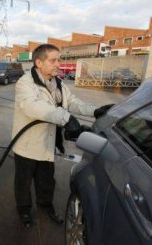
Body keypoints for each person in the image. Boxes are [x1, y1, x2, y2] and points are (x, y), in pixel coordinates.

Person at [12, 44, 111, 228]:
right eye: (53, 60)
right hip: (26, 145)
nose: (58, 64)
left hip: (47, 144)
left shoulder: (57, 83)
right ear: (39, 62)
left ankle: (46, 207)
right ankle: (24, 211)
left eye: (59, 59)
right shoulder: (25, 83)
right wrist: (65, 117)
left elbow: (72, 102)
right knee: (23, 182)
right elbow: (32, 106)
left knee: (46, 181)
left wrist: (95, 110)